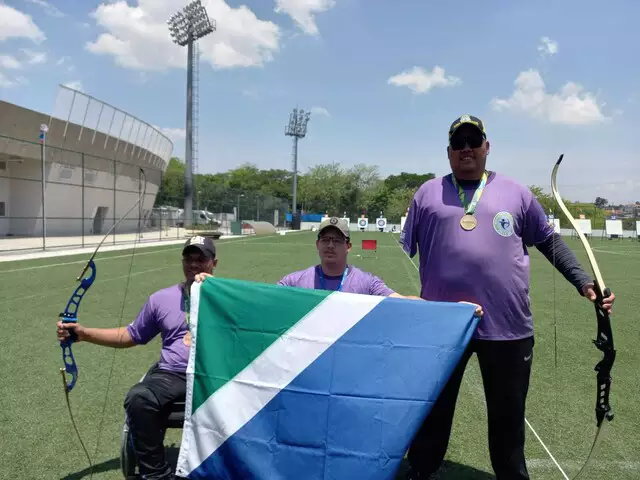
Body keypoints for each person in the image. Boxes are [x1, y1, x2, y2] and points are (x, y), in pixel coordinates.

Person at [400, 114, 616, 479]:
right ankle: (420, 470)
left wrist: (583, 281)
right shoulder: (427, 193)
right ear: (448, 151)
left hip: (507, 325)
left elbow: (548, 241)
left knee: (508, 418)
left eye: (473, 141)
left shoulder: (516, 192)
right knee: (432, 412)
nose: (466, 148)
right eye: (458, 143)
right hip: (442, 325)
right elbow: (405, 250)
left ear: (487, 146)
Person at [56, 235, 218, 480]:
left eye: (201, 259)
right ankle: (156, 475)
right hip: (172, 374)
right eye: (188, 259)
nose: (193, 264)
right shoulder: (161, 299)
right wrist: (83, 334)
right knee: (139, 397)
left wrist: (217, 291)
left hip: (213, 374)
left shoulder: (228, 296)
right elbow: (130, 335)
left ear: (213, 263)